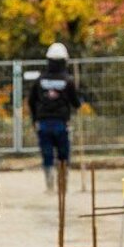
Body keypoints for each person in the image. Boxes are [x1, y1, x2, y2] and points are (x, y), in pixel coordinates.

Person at [27, 41, 81, 190]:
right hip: (61, 123)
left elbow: (31, 101)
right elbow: (76, 103)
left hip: (43, 124)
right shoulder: (68, 80)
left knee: (47, 154)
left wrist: (35, 119)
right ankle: (63, 184)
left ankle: (50, 185)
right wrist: (78, 98)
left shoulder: (40, 80)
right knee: (63, 154)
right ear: (65, 61)